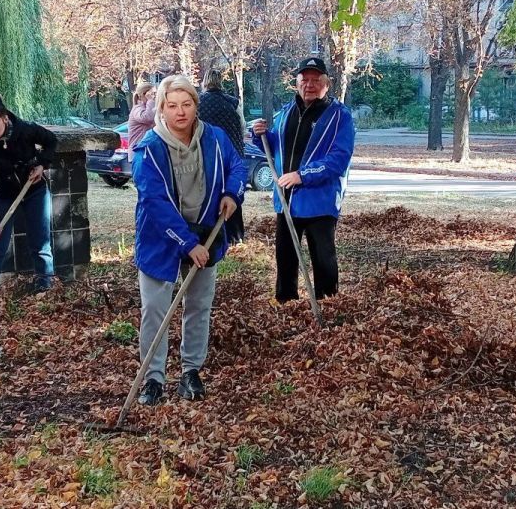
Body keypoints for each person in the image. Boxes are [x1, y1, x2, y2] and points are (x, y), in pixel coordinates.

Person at [131, 74, 248, 405]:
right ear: (162, 110)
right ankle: (153, 378)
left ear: (196, 106)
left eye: (186, 104)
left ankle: (190, 371)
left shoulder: (215, 138)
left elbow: (237, 167)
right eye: (172, 106)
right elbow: (156, 204)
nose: (180, 112)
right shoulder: (149, 150)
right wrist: (187, 244)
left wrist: (232, 194)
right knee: (155, 309)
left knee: (198, 305)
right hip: (161, 240)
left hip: (206, 233)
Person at [251, 57, 355, 303]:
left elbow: (338, 160)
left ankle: (328, 307)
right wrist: (262, 136)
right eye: (304, 79)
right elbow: (279, 146)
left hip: (319, 202)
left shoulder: (340, 116)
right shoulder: (286, 112)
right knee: (285, 258)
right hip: (286, 201)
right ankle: (286, 307)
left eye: (315, 80)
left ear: (326, 84)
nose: (309, 85)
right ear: (296, 83)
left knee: (323, 259)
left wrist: (302, 176)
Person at [0, 91, 58, 292]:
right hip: (5, 194)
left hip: (34, 189)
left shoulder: (25, 129)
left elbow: (51, 141)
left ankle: (45, 287)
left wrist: (41, 164)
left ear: (4, 118)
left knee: (41, 243)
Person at [197, 69, 246, 243]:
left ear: (205, 82)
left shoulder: (198, 102)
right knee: (233, 193)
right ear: (220, 82)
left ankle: (213, 232)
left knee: (211, 192)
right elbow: (242, 126)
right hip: (233, 152)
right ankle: (236, 235)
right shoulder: (232, 102)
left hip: (209, 155)